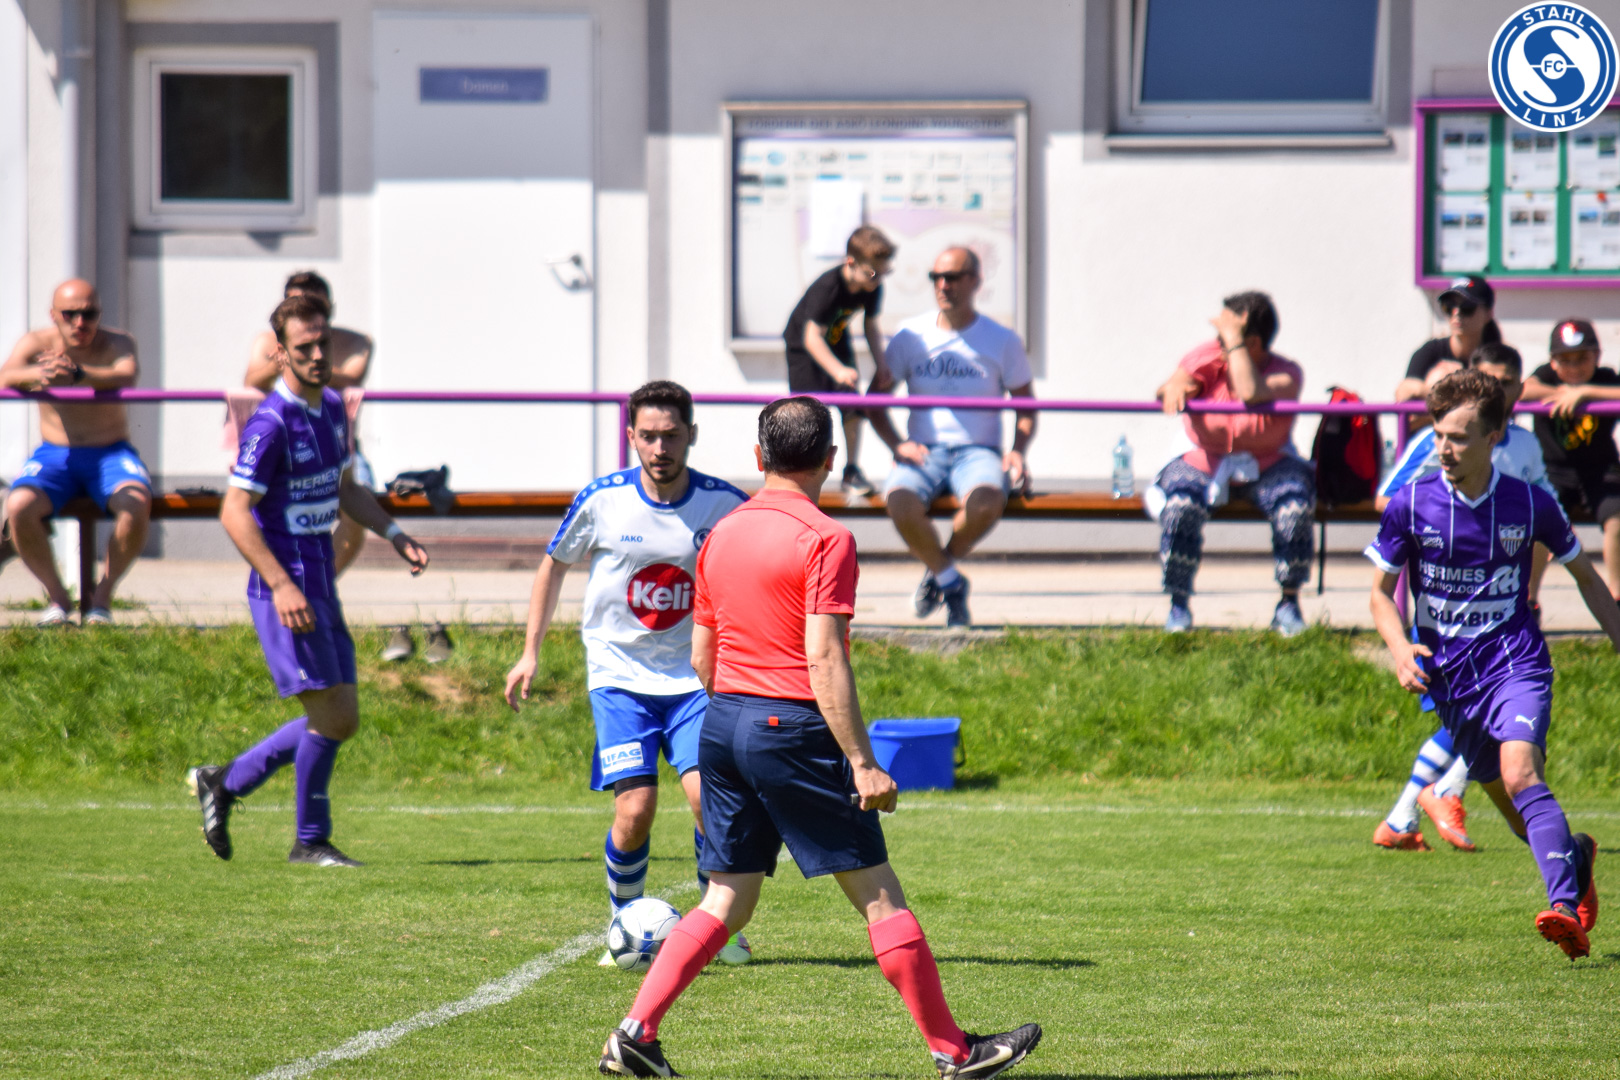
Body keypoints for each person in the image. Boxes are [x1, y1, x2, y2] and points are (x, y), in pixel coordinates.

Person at [597, 396, 1041, 1079]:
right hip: (791, 727)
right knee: (879, 896)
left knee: (727, 897)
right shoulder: (827, 539)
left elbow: (702, 659)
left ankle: (635, 1033)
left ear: (759, 457)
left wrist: (740, 718)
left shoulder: (719, 534)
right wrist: (862, 761)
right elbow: (824, 657)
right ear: (831, 459)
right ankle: (954, 1052)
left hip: (722, 722)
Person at [502, 380, 752, 965]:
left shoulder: (725, 505)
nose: (660, 448)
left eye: (672, 435)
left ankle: (716, 926)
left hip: (694, 679)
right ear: (631, 436)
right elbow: (553, 566)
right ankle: (625, 921)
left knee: (705, 802)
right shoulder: (603, 500)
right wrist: (530, 651)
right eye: (649, 436)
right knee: (634, 811)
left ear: (691, 435)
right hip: (619, 676)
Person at [1366, 369, 1610, 960]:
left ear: (1494, 436)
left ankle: (1562, 908)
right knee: (1516, 813)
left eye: (1459, 437)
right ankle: (1575, 856)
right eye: (1438, 434)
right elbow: (1378, 593)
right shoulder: (1412, 504)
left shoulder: (1530, 504)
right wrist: (1399, 648)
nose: (1444, 448)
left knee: (1522, 773)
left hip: (1515, 662)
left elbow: (1587, 578)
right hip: (1451, 679)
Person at [187, 293, 429, 868]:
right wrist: (280, 584)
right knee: (332, 716)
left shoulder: (334, 409)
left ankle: (225, 783)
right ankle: (308, 840)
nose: (319, 355)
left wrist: (394, 533)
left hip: (318, 576)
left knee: (341, 715)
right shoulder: (271, 422)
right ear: (279, 353)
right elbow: (234, 512)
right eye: (304, 347)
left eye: (324, 342)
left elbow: (345, 488)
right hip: (286, 585)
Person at [1372, 344, 1559, 852]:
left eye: (1506, 381)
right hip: (1447, 627)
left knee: (1506, 737)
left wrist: (1527, 584)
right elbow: (1389, 496)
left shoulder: (1525, 446)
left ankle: (1419, 806)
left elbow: (1545, 519)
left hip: (1504, 616)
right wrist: (1441, 527)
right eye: (1488, 377)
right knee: (1477, 727)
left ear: (1517, 391)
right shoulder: (1437, 445)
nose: (1498, 387)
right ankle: (1425, 801)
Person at [868, 247, 1036, 628]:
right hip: (924, 451)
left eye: (953, 277)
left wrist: (1017, 452)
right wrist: (897, 444)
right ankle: (950, 580)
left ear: (976, 281)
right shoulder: (910, 336)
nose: (943, 285)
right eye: (936, 277)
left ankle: (937, 572)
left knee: (987, 500)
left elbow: (1026, 406)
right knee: (898, 500)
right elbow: (874, 401)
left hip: (978, 452)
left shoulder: (1002, 340)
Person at [1154, 291, 1311, 635]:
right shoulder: (1211, 357)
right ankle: (1178, 605)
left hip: (1269, 462)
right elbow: (1179, 380)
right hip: (1204, 457)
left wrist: (1235, 344)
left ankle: (1288, 603)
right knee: (1180, 505)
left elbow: (1250, 392)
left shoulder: (1286, 373)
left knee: (1294, 506)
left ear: (1251, 341)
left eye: (1224, 332)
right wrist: (1176, 384)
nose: (1217, 340)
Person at [0, 279, 151, 627]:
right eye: (70, 314)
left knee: (136, 502)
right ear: (54, 315)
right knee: (18, 505)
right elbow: (5, 376)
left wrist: (78, 374)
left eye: (89, 314)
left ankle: (101, 600)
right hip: (55, 454)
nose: (80, 323)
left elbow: (126, 375)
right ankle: (58, 598)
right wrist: (41, 372)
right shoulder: (37, 344)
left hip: (110, 452)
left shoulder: (118, 341)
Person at [784, 225, 895, 500]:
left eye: (884, 272)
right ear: (850, 262)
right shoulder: (828, 288)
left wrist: (881, 364)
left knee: (853, 403)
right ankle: (803, 472)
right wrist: (838, 371)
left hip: (836, 340)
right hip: (804, 347)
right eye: (873, 273)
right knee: (808, 412)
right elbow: (811, 338)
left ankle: (852, 470)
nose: (878, 279)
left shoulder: (872, 285)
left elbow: (870, 325)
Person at [1520, 318, 1620, 601]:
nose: (1574, 367)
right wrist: (1558, 394)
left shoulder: (1605, 378)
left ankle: (1616, 597)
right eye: (1565, 360)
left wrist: (1585, 393)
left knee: (1617, 520)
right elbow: (1524, 390)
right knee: (1539, 522)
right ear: (1552, 362)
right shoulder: (1546, 376)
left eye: (1582, 358)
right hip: (1552, 470)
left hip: (1601, 471)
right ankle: (1529, 600)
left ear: (1597, 356)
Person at [1394, 275, 1502, 433]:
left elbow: (1500, 409)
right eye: (1449, 307)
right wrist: (1449, 390)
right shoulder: (1430, 351)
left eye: (1467, 307)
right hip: (1429, 440)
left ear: (1488, 314)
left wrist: (1438, 404)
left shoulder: (1496, 357)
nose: (1456, 313)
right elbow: (1404, 393)